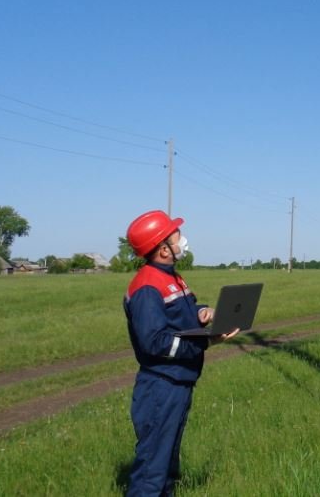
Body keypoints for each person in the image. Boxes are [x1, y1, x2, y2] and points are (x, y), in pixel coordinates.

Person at [123, 209, 236, 497]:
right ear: (163, 249)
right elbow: (155, 342)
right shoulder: (148, 286)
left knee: (166, 467)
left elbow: (182, 314)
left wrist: (203, 313)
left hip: (177, 384)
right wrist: (206, 343)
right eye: (177, 237)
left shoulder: (172, 277)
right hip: (161, 387)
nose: (183, 241)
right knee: (151, 472)